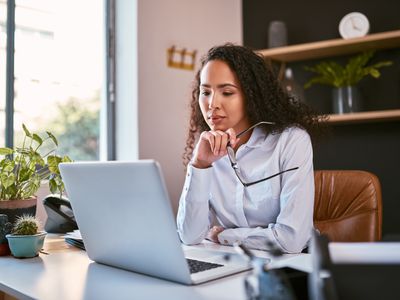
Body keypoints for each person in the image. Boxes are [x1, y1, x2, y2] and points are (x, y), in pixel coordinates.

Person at [176, 43, 324, 254]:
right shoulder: (206, 149)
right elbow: (189, 236)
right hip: (230, 263)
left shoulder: (291, 141)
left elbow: (291, 240)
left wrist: (225, 236)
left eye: (227, 92)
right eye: (205, 92)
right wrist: (200, 165)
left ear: (252, 95)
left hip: (289, 266)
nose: (212, 104)